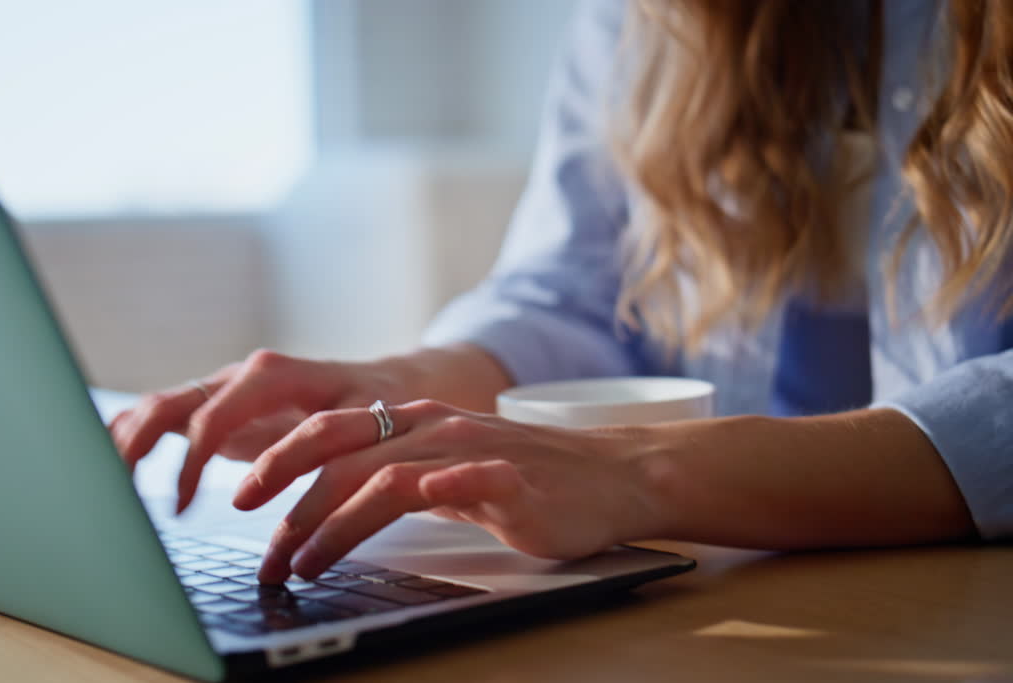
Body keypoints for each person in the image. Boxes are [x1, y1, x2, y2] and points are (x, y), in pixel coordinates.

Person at [111, 0, 1012, 585]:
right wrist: (402, 382)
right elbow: (575, 294)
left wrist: (641, 472)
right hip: (739, 589)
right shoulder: (649, 24)